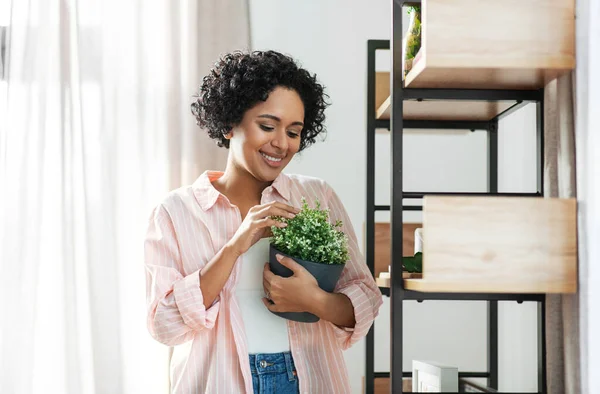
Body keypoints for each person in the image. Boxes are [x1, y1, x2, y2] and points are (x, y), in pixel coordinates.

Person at [144, 50, 383, 394]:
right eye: (268, 126)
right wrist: (233, 247)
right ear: (229, 124)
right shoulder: (175, 211)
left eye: (294, 131)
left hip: (308, 380)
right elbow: (163, 324)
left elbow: (365, 298)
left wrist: (314, 300)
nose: (281, 144)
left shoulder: (318, 197)